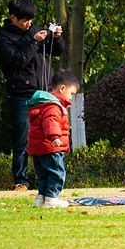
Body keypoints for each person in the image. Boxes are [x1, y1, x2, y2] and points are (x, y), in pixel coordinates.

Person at [0, 0, 64, 191]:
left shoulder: (33, 28)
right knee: (23, 138)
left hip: (44, 92)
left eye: (31, 20)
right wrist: (33, 42)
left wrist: (57, 38)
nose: (29, 24)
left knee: (49, 135)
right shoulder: (3, 39)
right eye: (25, 20)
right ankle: (20, 181)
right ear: (13, 18)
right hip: (22, 95)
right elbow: (18, 61)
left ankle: (49, 178)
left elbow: (56, 51)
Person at [27, 69, 80, 208]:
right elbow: (50, 122)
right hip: (51, 146)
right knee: (56, 172)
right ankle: (52, 198)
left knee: (43, 174)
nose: (71, 98)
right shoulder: (54, 106)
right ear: (62, 88)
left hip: (39, 147)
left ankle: (41, 198)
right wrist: (54, 137)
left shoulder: (43, 103)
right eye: (71, 93)